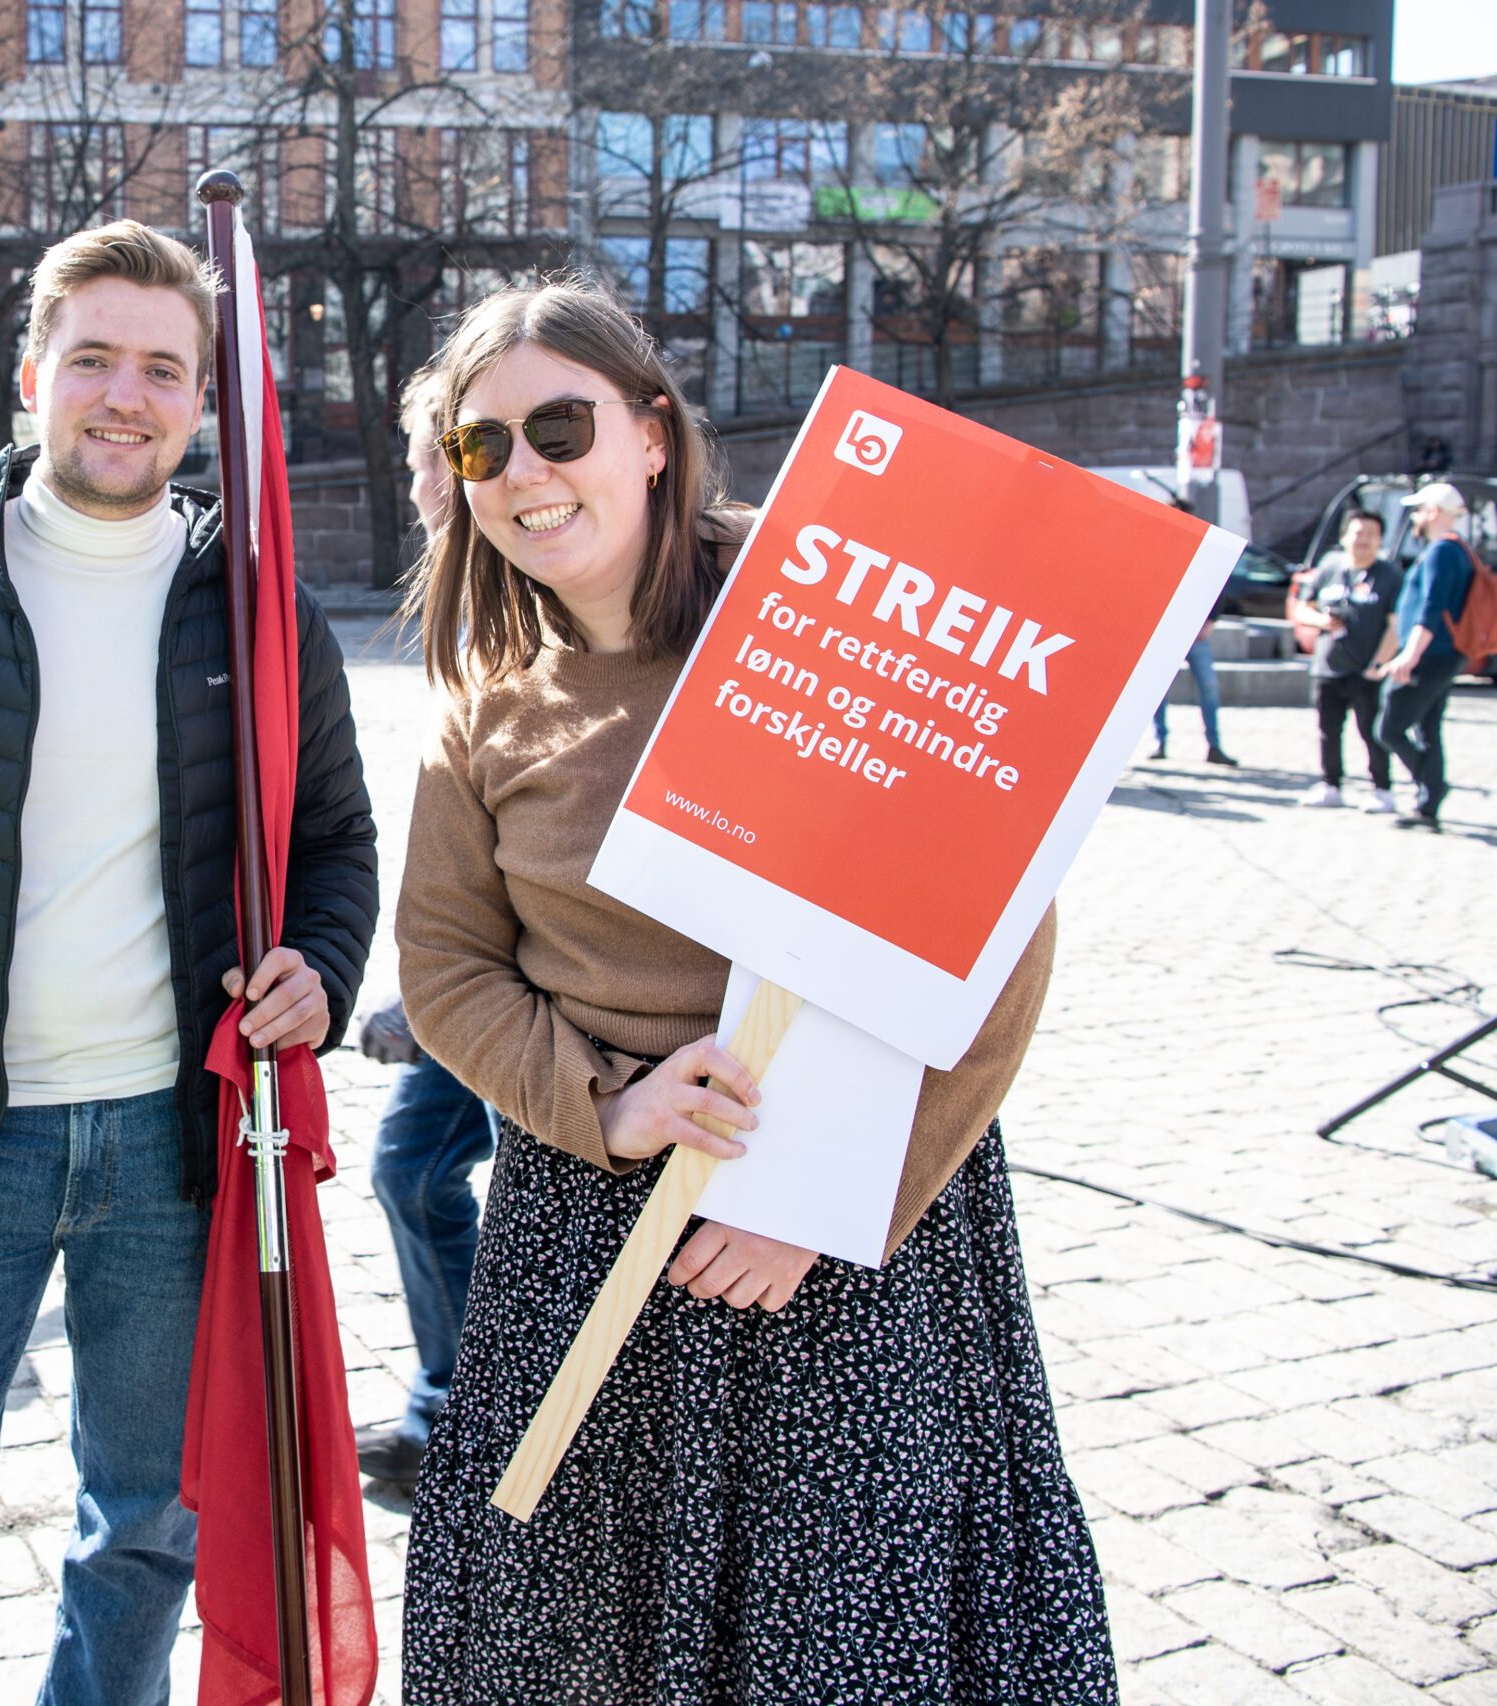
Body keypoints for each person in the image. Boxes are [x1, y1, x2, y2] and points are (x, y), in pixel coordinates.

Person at [392, 282, 1110, 1702]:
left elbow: (993, 934)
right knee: (581, 1641)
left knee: (843, 1644)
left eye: (558, 426)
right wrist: (608, 1099)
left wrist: (821, 1190)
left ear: (652, 432)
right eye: (484, 449)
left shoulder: (814, 618)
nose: (525, 472)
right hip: (594, 1228)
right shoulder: (487, 699)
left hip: (842, 1254)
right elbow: (445, 967)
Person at [0, 220, 378, 1706]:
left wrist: (319, 962)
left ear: (199, 401)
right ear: (33, 372)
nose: (126, 393)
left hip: (180, 1152)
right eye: (94, 357)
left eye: (163, 368)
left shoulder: (257, 607)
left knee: (153, 1520)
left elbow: (337, 843)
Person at [352, 366, 498, 1490]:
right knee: (408, 1167)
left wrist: (429, 996)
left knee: (430, 1167)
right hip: (476, 976)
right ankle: (453, 1395)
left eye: (434, 458)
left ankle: (471, 1410)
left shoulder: (538, 583)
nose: (419, 486)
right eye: (420, 459)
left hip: (542, 989)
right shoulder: (466, 599)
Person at [1378, 481, 1477, 831]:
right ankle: (1427, 804)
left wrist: (1408, 655)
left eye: (1419, 510)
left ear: (1433, 512)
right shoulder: (1454, 549)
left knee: (1389, 727)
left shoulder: (1442, 551)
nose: (1415, 517)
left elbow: (1432, 608)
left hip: (1431, 655)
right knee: (1427, 729)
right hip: (1441, 654)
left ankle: (1432, 788)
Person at [1288, 510, 1401, 811]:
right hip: (1328, 666)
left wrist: (1378, 664)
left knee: (1371, 731)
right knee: (1328, 730)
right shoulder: (1329, 569)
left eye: (1370, 534)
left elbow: (1396, 625)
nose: (1362, 539)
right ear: (1344, 536)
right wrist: (1322, 621)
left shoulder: (1389, 576)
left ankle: (1382, 788)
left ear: (1379, 540)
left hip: (1366, 670)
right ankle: (1331, 784)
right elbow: (1300, 610)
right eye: (1357, 532)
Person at [1151, 616, 1234, 766]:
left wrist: (1211, 621)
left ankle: (1214, 746)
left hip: (1196, 632)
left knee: (1209, 688)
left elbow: (1218, 594)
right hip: (1165, 632)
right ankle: (1160, 742)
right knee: (1158, 690)